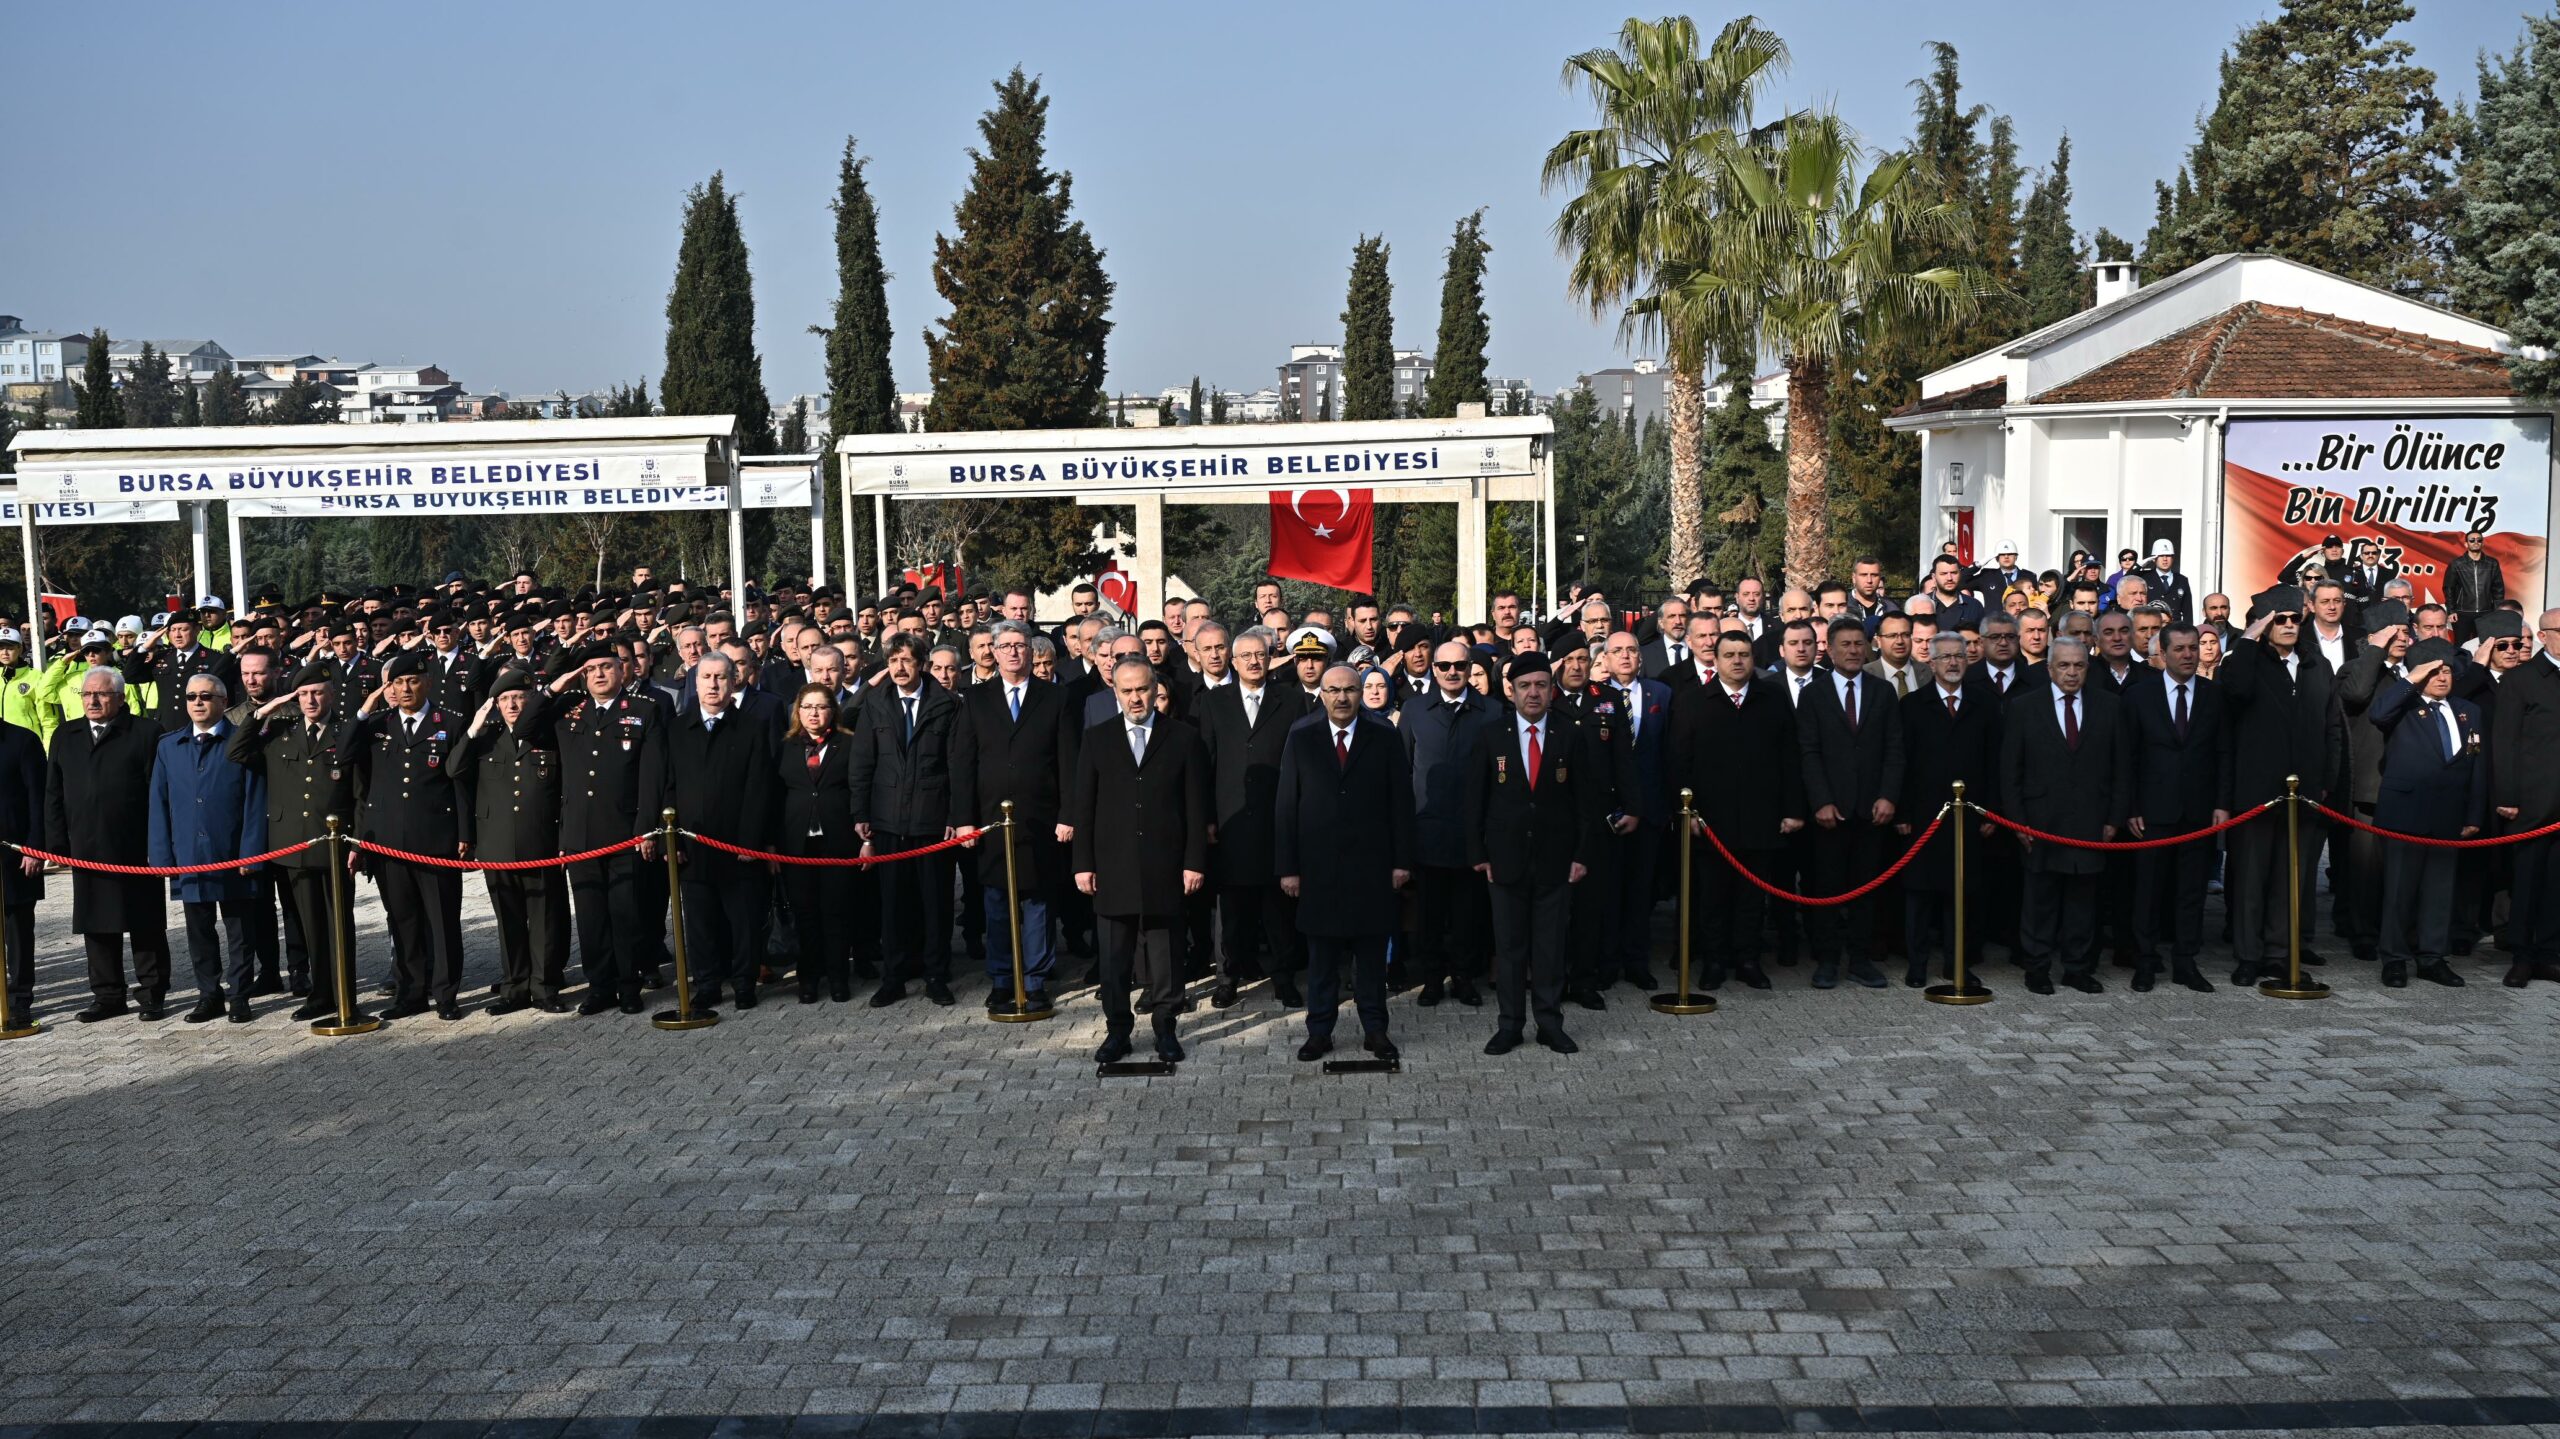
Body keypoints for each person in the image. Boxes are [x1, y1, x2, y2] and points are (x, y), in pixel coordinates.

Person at [1069, 658, 1211, 1064]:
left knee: (1166, 957)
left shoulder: (1183, 738)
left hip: (1166, 865)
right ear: (1115, 691)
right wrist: (1083, 864)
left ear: (1155, 689)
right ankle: (1118, 1032)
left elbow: (1196, 808)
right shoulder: (1097, 739)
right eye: (1127, 690)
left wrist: (1194, 862)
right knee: (1114, 960)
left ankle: (1166, 1028)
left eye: (1142, 689)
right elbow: (1085, 807)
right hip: (1112, 867)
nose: (1135, 697)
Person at [1466, 652, 1605, 1055]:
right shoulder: (1491, 734)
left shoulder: (1569, 734)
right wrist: (1478, 852)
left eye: (1541, 685)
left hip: (1555, 859)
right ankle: (1509, 1025)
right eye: (1524, 685)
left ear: (1551, 689)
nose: (1533, 693)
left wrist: (1581, 855)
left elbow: (1585, 803)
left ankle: (1549, 1022)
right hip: (1504, 859)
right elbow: (1475, 799)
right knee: (1509, 948)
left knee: (1549, 947)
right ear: (1510, 690)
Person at [1275, 664, 1416, 1062]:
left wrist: (1402, 861)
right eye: (1333, 690)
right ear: (1321, 694)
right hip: (1318, 870)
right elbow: (1287, 806)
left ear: (1360, 694)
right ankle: (1320, 1031)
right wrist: (1288, 867)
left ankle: (1375, 1030)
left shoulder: (1383, 737)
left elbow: (1401, 804)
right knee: (1321, 960)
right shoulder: (1302, 738)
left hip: (1372, 868)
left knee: (1371, 959)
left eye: (1350, 690)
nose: (1341, 697)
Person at [2219, 587, 2347, 986]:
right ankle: (2248, 956)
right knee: (2252, 879)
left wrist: (2326, 780)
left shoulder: (2315, 665)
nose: (2289, 625)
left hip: (2306, 791)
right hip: (2257, 792)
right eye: (2280, 619)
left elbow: (2331, 728)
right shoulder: (2244, 662)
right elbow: (2235, 691)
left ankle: (2280, 953)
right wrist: (2248, 638)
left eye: (2294, 618)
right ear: (2263, 623)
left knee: (2292, 879)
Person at [950, 620, 1079, 1013]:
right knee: (996, 900)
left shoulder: (1055, 698)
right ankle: (1004, 978)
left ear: (1030, 650)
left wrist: (1068, 813)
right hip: (991, 819)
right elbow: (962, 763)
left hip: (1041, 818)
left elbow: (1069, 762)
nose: (1011, 652)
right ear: (992, 650)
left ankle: (1036, 980)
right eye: (1003, 646)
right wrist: (964, 818)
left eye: (1019, 646)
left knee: (1039, 901)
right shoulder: (974, 699)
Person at [342, 649, 472, 1020]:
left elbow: (461, 783)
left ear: (427, 682)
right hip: (388, 844)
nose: (406, 689)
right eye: (398, 683)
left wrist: (465, 834)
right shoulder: (378, 724)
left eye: (413, 680)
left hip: (435, 840)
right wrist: (365, 707)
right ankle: (411, 993)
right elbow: (344, 754)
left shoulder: (448, 721)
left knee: (443, 921)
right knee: (403, 921)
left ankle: (446, 995)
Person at [1669, 631, 1803, 990]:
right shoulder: (1693, 701)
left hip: (1762, 817)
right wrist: (1688, 813)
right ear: (1715, 658)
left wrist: (1793, 809)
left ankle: (1747, 960)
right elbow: (1679, 762)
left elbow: (1790, 757)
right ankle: (1714, 961)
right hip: (1711, 820)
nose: (1738, 661)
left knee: (1751, 897)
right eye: (1729, 654)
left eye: (1744, 654)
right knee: (1712, 897)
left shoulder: (1772, 698)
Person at [230, 661, 359, 1023]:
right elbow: (236, 752)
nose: (310, 700)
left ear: (331, 695)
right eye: (303, 694)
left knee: (340, 926)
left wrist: (358, 843)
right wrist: (263, 712)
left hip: (334, 847)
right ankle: (320, 996)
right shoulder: (280, 733)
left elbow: (361, 793)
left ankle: (345, 994)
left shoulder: (345, 732)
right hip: (294, 846)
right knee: (310, 927)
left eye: (317, 693)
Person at [2002, 637, 2132, 994]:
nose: (2071, 672)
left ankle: (2077, 968)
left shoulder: (2109, 706)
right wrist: (2017, 822)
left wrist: (2114, 818)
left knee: (2083, 902)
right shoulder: (2023, 707)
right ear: (2049, 669)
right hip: (2040, 822)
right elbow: (2010, 770)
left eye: (2078, 666)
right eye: (2064, 665)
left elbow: (2122, 767)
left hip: (2091, 821)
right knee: (2039, 901)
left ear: (2087, 669)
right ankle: (2037, 967)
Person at [48, 667, 173, 1022]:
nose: (93, 700)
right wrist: (56, 844)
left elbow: (159, 792)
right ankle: (107, 996)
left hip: (136, 846)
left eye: (101, 694)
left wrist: (159, 844)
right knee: (96, 921)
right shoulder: (66, 734)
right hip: (86, 845)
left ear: (120, 697)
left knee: (144, 921)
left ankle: (152, 994)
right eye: (87, 694)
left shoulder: (146, 732)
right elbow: (53, 793)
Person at [1195, 627, 1310, 1009]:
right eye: (1245, 656)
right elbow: (1206, 763)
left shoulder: (1291, 701)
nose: (1253, 662)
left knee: (1278, 907)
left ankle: (1283, 977)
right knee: (1231, 910)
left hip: (1277, 818)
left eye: (1260, 655)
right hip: (1229, 822)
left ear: (1270, 657)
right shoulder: (1214, 702)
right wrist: (1208, 818)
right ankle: (1227, 978)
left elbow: (1300, 762)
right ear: (1233, 660)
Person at [550, 645, 667, 1016]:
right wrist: (557, 685)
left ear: (623, 670)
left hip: (625, 833)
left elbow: (653, 777)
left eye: (606, 667)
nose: (599, 674)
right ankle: (600, 987)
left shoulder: (644, 712)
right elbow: (525, 725)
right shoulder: (569, 712)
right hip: (580, 834)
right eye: (590, 669)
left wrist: (647, 829)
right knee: (590, 917)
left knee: (625, 914)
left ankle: (629, 986)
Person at [147, 674, 268, 1023]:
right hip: (189, 855)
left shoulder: (241, 742)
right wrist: (162, 856)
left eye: (205, 696)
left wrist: (251, 853)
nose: (197, 702)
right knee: (198, 931)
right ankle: (208, 995)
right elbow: (159, 802)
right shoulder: (169, 745)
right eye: (191, 696)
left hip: (232, 852)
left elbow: (254, 802)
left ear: (223, 700)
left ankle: (240, 995)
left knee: (240, 930)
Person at [850, 633, 961, 1007]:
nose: (899, 667)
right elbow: (862, 762)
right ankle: (893, 978)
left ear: (922, 664)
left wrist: (953, 815)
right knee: (893, 904)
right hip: (888, 819)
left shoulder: (946, 704)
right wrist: (861, 813)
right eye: (893, 660)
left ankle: (936, 976)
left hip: (932, 821)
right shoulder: (876, 704)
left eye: (907, 660)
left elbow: (956, 766)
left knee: (935, 902)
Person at [664, 652, 779, 1009]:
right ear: (694, 683)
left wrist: (750, 843)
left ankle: (744, 983)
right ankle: (709, 983)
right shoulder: (678, 729)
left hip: (738, 845)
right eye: (706, 678)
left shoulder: (751, 727)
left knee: (743, 919)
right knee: (699, 920)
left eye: (720, 678)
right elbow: (667, 786)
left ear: (733, 682)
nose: (713, 685)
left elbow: (759, 788)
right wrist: (672, 837)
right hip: (692, 844)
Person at [2369, 640, 2487, 987]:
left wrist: (2474, 814)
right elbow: (2377, 714)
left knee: (2440, 891)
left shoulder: (2467, 710)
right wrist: (2411, 679)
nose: (2441, 677)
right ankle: (2394, 958)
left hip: (2448, 814)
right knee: (2399, 890)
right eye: (2433, 671)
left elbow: (2477, 764)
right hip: (2405, 813)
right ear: (2419, 674)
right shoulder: (2402, 706)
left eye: (2446, 670)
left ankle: (2432, 957)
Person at [454, 670, 571, 1014]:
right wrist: (473, 729)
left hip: (541, 843)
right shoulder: (486, 738)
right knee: (509, 921)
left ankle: (544, 986)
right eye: (505, 699)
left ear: (532, 698)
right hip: (498, 846)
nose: (513, 704)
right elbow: (454, 770)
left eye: (519, 697)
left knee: (545, 918)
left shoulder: (548, 735)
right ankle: (514, 987)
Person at [1797, 618, 1903, 989]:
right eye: (1846, 644)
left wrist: (1888, 795)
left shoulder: (1882, 692)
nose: (1854, 651)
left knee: (1867, 890)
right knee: (1826, 889)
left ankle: (1860, 959)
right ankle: (1827, 960)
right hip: (1831, 812)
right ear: (1829, 648)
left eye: (1859, 644)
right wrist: (1821, 801)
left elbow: (1894, 749)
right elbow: (1808, 753)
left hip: (1872, 810)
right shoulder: (1814, 693)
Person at [2124, 624, 2229, 992]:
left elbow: (2223, 753)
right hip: (2152, 811)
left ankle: (2186, 962)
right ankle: (2146, 962)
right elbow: (2129, 756)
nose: (2188, 655)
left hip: (2198, 810)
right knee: (2148, 891)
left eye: (2193, 648)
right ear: (2163, 654)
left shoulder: (2215, 695)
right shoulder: (2139, 695)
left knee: (2191, 891)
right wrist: (2132, 805)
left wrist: (2221, 804)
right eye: (2180, 649)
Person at [1895, 634, 2000, 989]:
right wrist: (1904, 813)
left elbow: (1994, 762)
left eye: (1959, 657)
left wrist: (1991, 813)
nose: (1953, 663)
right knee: (1920, 894)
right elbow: (1902, 763)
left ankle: (1958, 963)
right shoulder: (1912, 705)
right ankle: (1918, 963)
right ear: (1931, 663)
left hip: (1969, 817)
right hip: (1924, 815)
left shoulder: (1984, 704)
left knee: (1963, 893)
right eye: (1945, 658)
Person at [777, 684, 861, 1003]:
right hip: (797, 845)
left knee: (836, 913)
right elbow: (776, 794)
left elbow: (857, 789)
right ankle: (808, 979)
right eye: (808, 707)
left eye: (822, 707)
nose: (814, 713)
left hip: (837, 843)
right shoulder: (786, 746)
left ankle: (839, 978)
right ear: (798, 712)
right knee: (806, 915)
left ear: (833, 711)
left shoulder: (849, 744)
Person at [0, 705, 40, 1024]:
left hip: (15, 855)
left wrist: (34, 847)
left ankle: (19, 998)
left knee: (18, 929)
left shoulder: (22, 740)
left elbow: (37, 799)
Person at [2445, 532, 2505, 640]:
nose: (2476, 542)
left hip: (2486, 612)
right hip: (2463, 613)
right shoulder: (2457, 564)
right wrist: (2451, 611)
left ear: (2482, 543)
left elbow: (2498, 589)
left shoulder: (2492, 563)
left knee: (2485, 644)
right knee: (2462, 645)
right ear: (2466, 544)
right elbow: (2449, 588)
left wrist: (2497, 611)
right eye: (2472, 540)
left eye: (2479, 540)